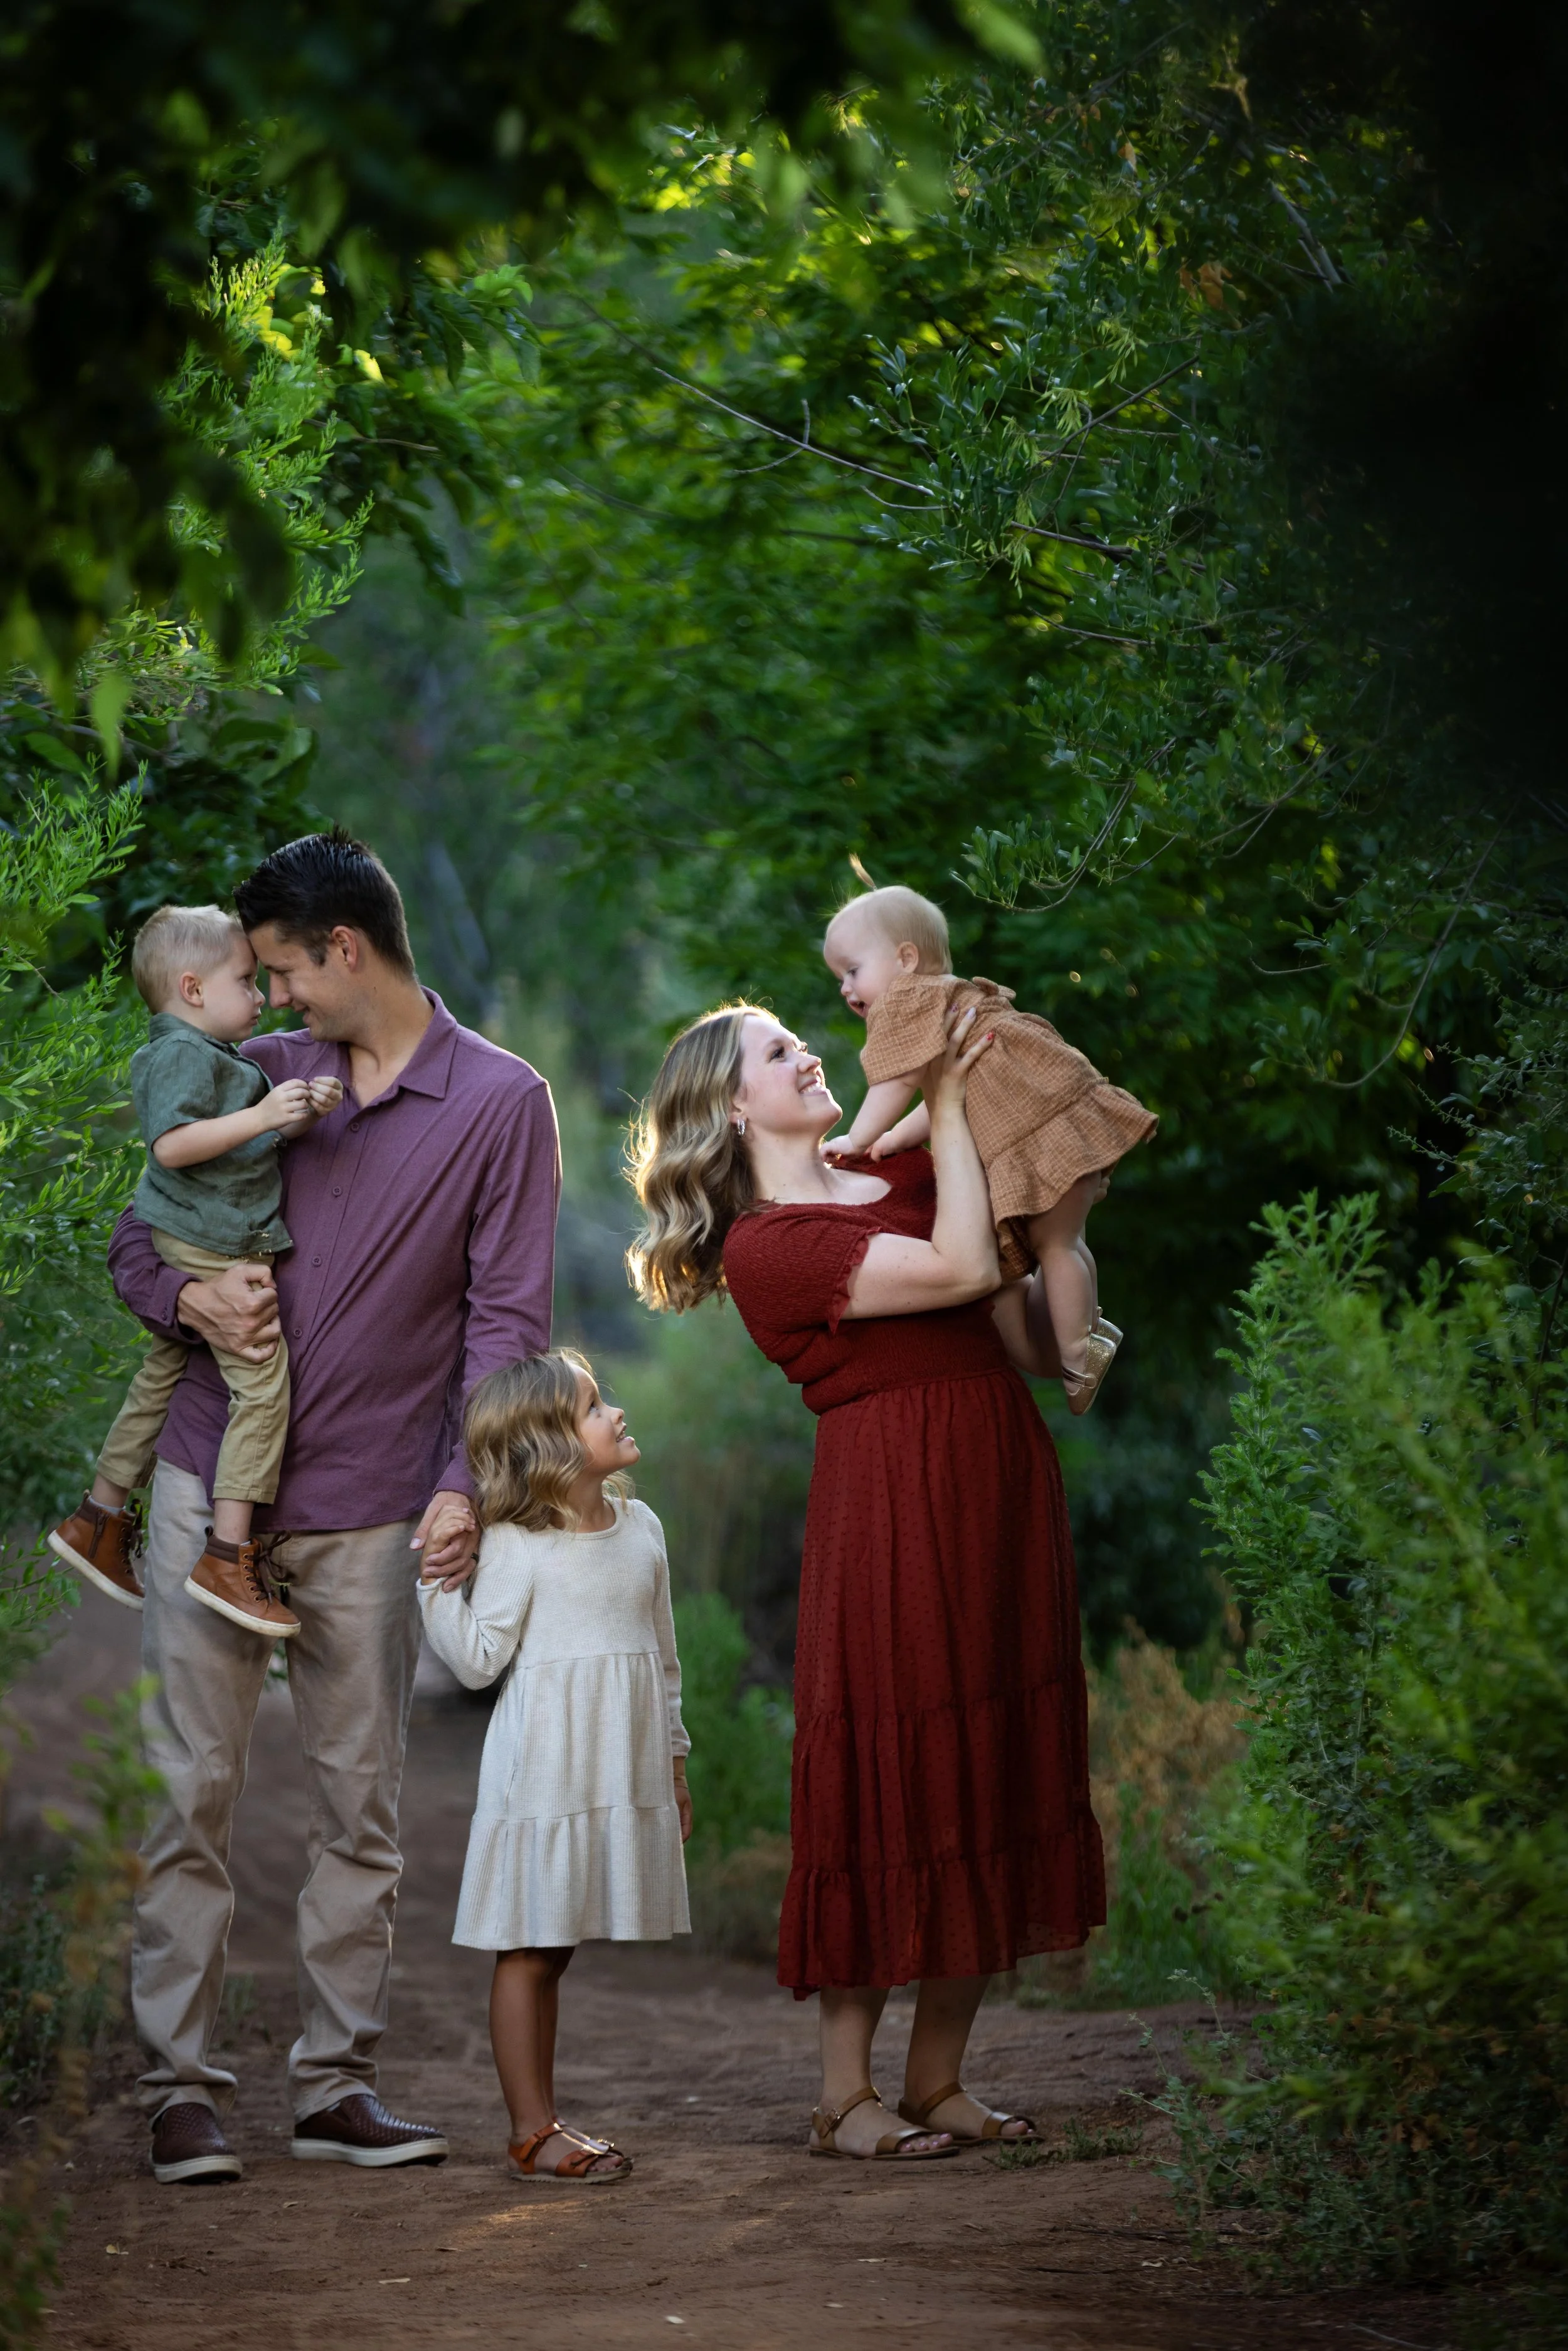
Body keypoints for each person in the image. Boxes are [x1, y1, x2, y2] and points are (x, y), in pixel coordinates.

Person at [104, 828, 561, 2187]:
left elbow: (507, 1318)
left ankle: (334, 2085)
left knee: (360, 1806)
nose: (274, 994)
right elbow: (140, 1230)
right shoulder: (260, 1073)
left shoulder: (502, 1100)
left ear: (344, 950)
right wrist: (184, 1296)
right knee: (193, 1788)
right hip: (208, 1487)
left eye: (283, 970)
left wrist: (455, 1487)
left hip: (372, 1506)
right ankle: (179, 2086)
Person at [629, 999, 1104, 2163]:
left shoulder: (888, 1174)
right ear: (733, 1104)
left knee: (984, 1765)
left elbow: (1023, 1336)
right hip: (890, 1503)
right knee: (893, 1762)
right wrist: (942, 1086)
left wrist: (1074, 1275)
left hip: (996, 1474)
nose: (813, 1053)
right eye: (781, 1050)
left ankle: (939, 2076)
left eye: (805, 1035)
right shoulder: (767, 1245)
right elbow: (952, 1263)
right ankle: (844, 2095)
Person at [420, 1349, 692, 2185]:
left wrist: (675, 1762)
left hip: (618, 1764)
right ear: (549, 1447)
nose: (614, 1412)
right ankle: (531, 2131)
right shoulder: (517, 1543)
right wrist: (434, 1588)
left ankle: (541, 2122)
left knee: (556, 1945)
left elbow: (665, 1658)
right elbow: (477, 1660)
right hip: (546, 1770)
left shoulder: (640, 1529)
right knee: (529, 1947)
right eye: (591, 1407)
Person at [50, 905, 342, 1637]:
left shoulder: (216, 1055)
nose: (259, 996)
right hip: (206, 1244)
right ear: (191, 987)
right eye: (246, 980)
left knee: (161, 1376)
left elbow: (243, 1144)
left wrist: (297, 1111)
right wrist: (265, 1114)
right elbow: (174, 1146)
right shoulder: (180, 1054)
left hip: (200, 1236)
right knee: (264, 1383)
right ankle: (225, 1551)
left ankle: (99, 1516)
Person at [823, 883, 1156, 1413]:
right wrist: (892, 1141)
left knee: (1055, 1249)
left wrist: (860, 1137)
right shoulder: (951, 1002)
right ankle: (1093, 1332)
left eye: (852, 970)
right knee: (1068, 1243)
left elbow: (897, 1082)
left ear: (905, 960)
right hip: (1062, 1125)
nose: (845, 987)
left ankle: (1079, 1358)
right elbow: (938, 1100)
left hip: (1037, 1139)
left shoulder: (908, 1001)